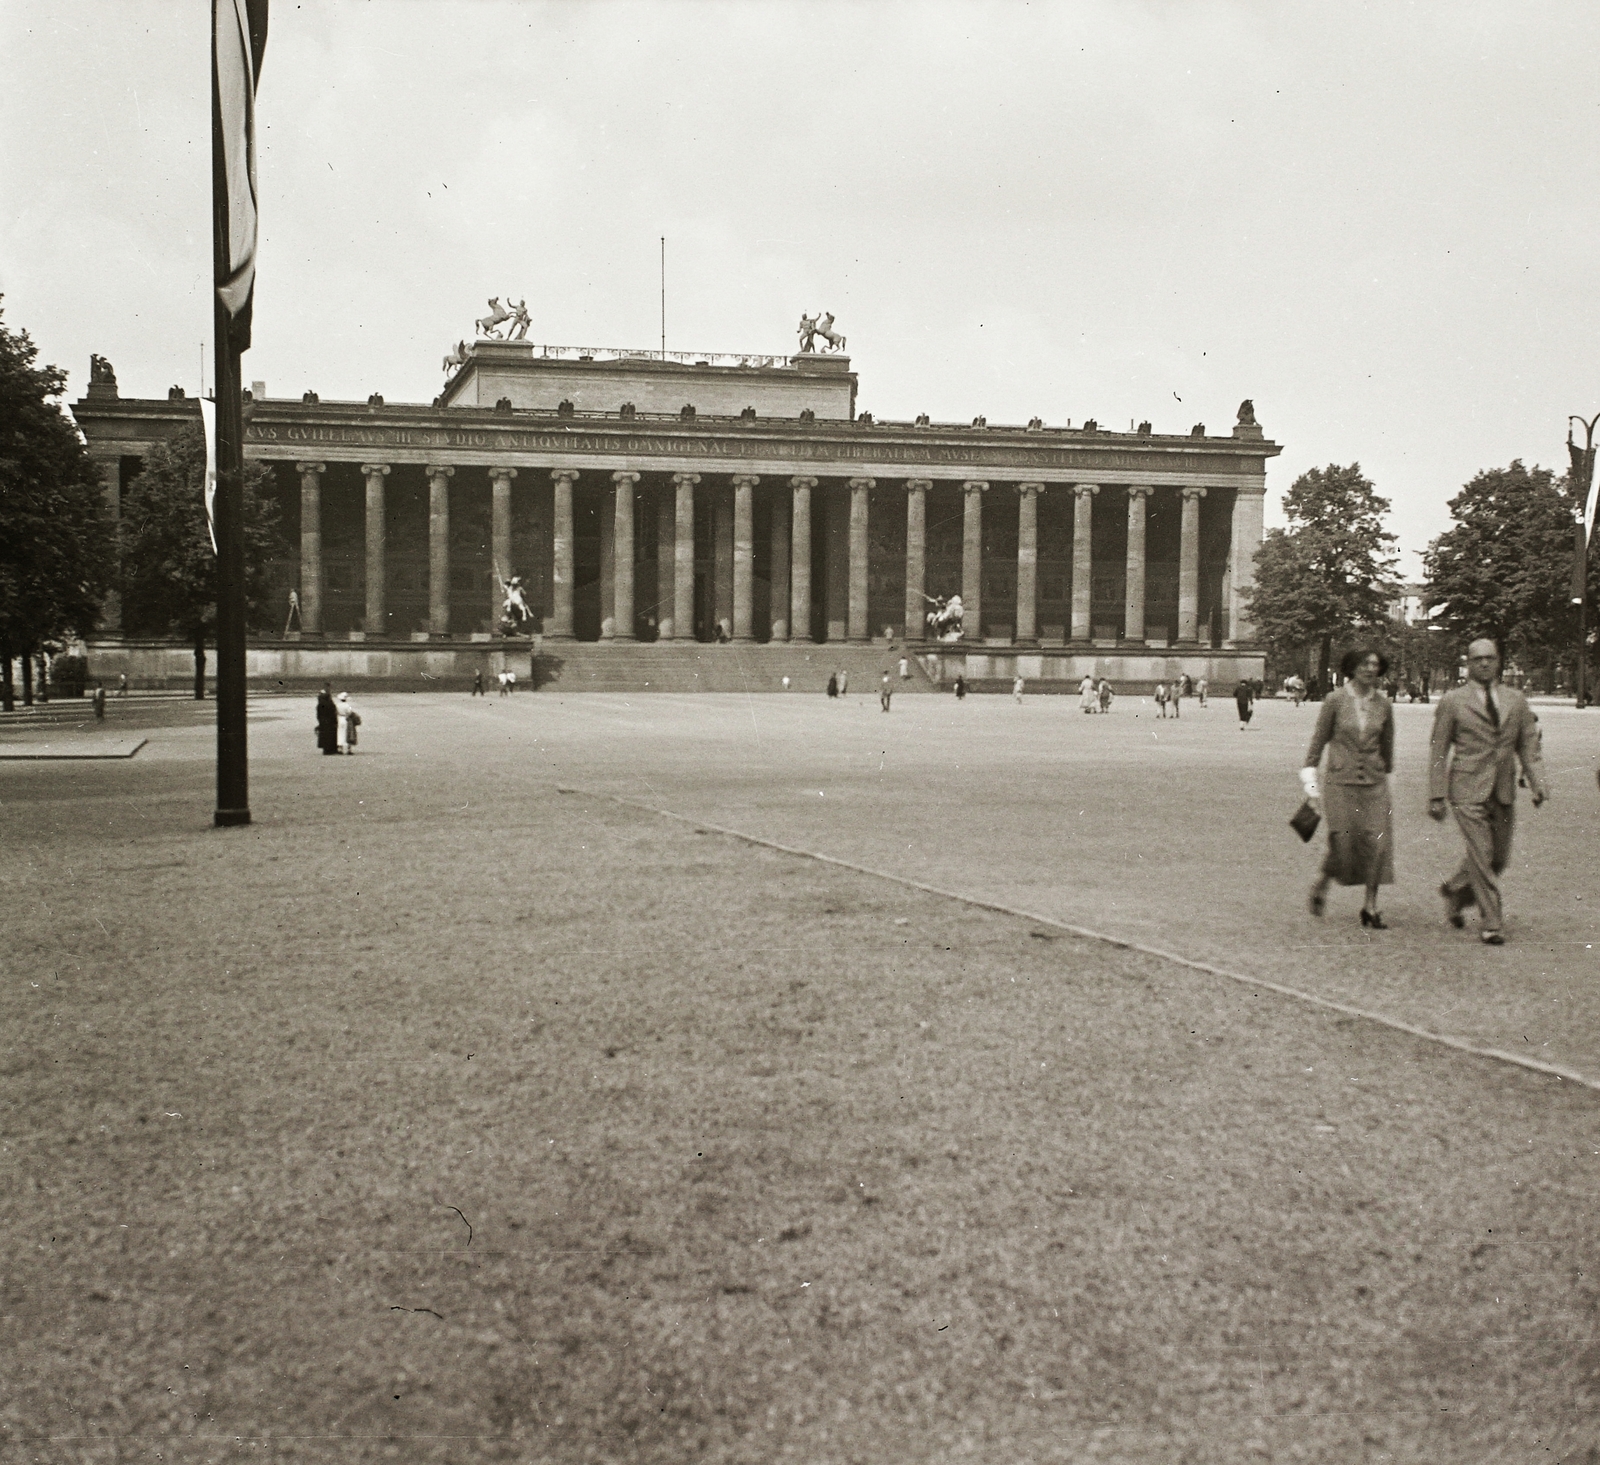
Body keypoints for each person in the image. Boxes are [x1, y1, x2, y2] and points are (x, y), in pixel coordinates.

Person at [1429, 638, 1547, 945]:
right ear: (1468, 663)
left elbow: (1528, 746)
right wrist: (1436, 794)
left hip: (1503, 788)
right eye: (1478, 658)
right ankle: (1492, 921)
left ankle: (1456, 889)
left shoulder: (1516, 700)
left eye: (1490, 658)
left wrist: (1537, 783)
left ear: (1498, 662)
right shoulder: (1453, 701)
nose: (1484, 663)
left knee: (1498, 859)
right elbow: (1439, 751)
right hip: (1466, 787)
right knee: (1481, 853)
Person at [1302, 649, 1396, 927]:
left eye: (1375, 664)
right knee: (1343, 844)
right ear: (1352, 667)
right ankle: (1323, 881)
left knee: (1377, 845)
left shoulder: (1384, 705)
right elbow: (1316, 748)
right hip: (1340, 785)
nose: (1370, 668)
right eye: (1365, 663)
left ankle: (1370, 906)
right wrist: (1311, 789)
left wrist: (1385, 776)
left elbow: (1387, 749)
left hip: (1374, 784)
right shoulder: (1334, 700)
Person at [315, 683, 338, 754]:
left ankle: (326, 749)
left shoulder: (320, 704)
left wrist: (319, 721)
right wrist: (335, 721)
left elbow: (318, 714)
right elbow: (333, 712)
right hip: (330, 721)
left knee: (324, 735)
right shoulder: (330, 704)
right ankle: (332, 749)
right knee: (331, 735)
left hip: (323, 721)